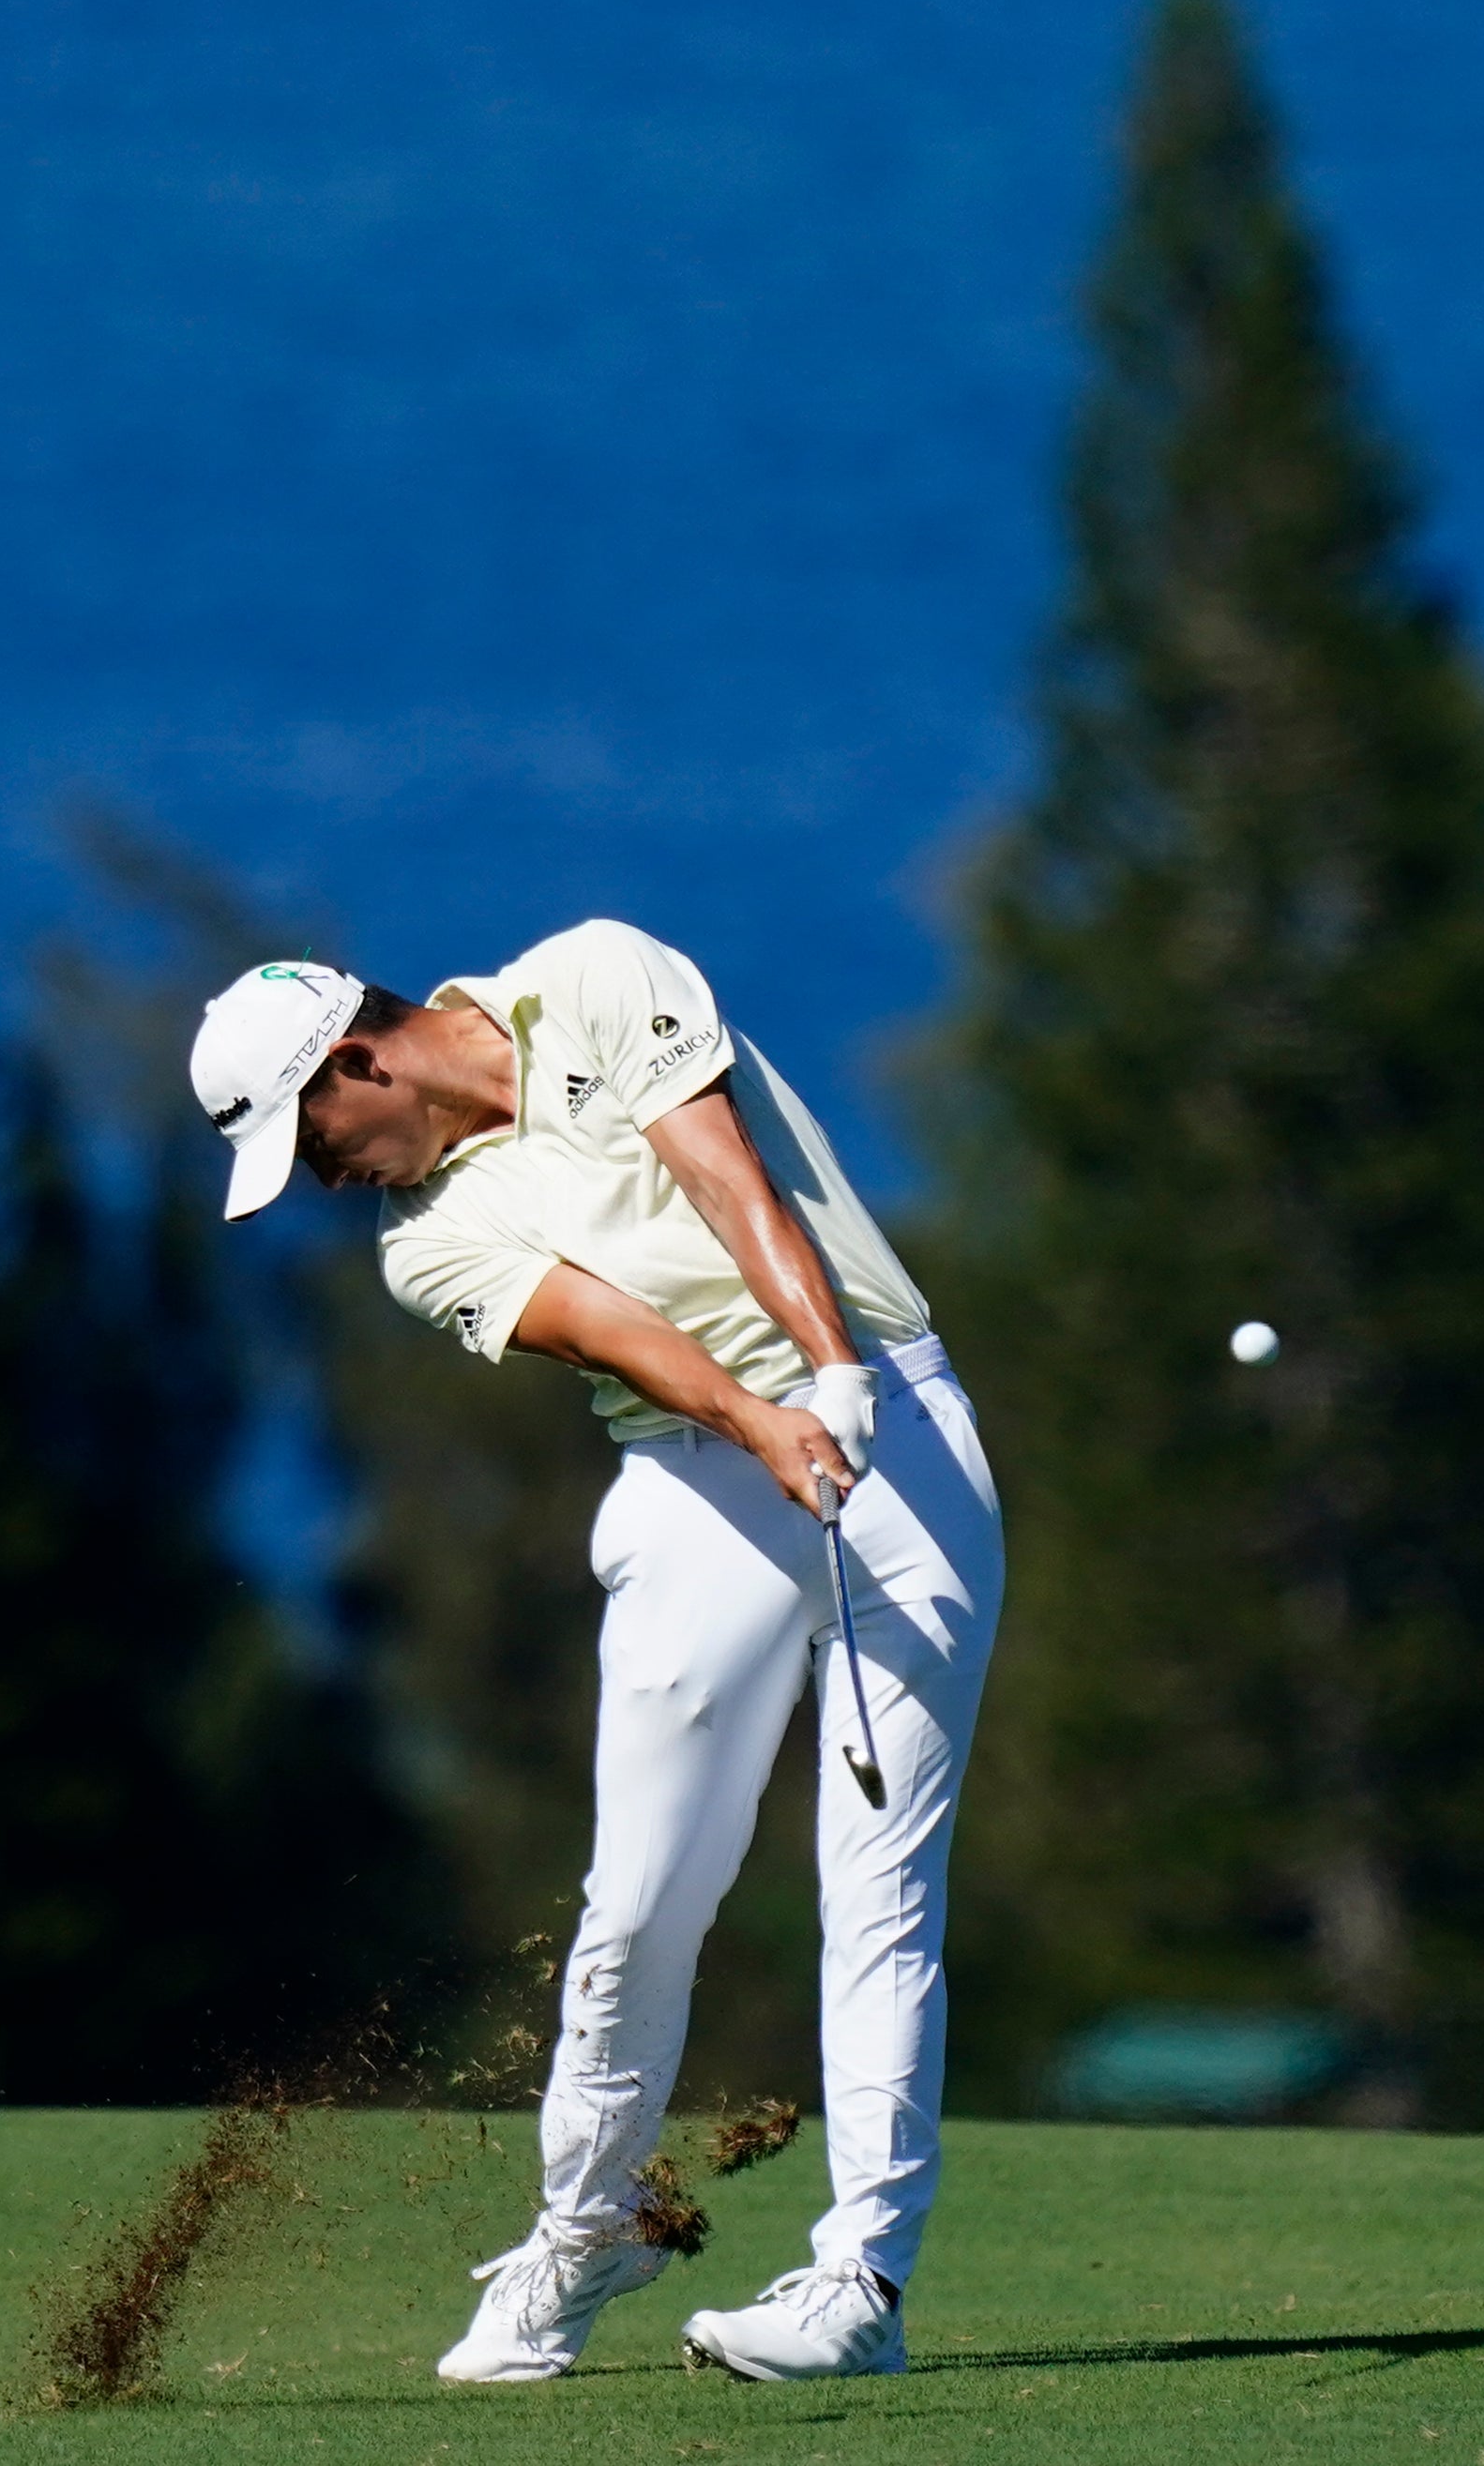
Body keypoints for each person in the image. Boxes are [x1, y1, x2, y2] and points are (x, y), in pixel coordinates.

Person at [190, 923, 1007, 2386]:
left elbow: (721, 1168)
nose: (322, 1182)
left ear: (358, 1062)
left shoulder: (593, 975)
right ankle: (585, 2234)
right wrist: (769, 1421)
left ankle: (860, 2287)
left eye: (310, 1141)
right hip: (698, 1484)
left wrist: (828, 1370)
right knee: (639, 1905)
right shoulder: (426, 1245)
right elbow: (628, 1336)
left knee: (880, 1882)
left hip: (900, 1429)